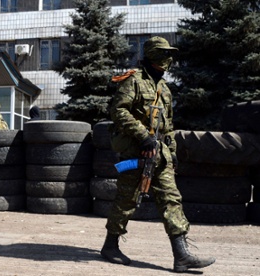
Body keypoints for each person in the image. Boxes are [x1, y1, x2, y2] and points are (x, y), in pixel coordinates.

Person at [102, 36, 215, 272]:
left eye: (170, 54)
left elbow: (168, 125)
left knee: (171, 199)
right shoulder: (133, 81)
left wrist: (171, 153)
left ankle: (181, 255)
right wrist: (142, 135)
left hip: (159, 154)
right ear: (152, 55)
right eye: (164, 53)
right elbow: (118, 111)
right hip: (135, 152)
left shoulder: (164, 89)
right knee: (126, 200)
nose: (169, 59)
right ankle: (110, 246)